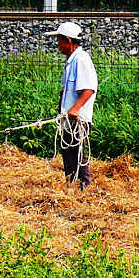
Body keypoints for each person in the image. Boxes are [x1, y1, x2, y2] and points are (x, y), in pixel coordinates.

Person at [44, 21, 97, 189]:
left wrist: (75, 108)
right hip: (68, 118)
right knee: (68, 152)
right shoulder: (71, 61)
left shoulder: (81, 60)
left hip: (77, 118)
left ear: (68, 40)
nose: (58, 45)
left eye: (59, 40)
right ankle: (71, 184)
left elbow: (89, 88)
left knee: (77, 151)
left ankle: (84, 186)